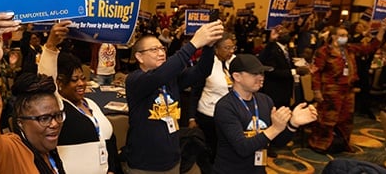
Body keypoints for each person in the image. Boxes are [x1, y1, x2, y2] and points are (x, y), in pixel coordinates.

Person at [0, 3, 66, 174]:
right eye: (44, 118)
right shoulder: (11, 154)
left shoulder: (47, 152)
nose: (55, 123)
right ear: (20, 122)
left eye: (57, 115)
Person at [124, 20, 224, 173]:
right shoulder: (135, 80)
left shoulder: (171, 79)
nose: (161, 52)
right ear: (139, 57)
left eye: (162, 48)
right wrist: (194, 43)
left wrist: (209, 46)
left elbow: (201, 71)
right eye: (154, 49)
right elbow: (159, 76)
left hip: (173, 161)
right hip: (144, 165)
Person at [213, 54, 318, 174]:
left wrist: (292, 124)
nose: (261, 77)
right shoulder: (225, 106)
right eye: (254, 74)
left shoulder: (265, 100)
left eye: (261, 73)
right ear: (237, 76)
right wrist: (275, 128)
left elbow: (277, 142)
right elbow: (243, 148)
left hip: (259, 169)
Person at [39, 21, 119, 174]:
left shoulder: (90, 104)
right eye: (74, 80)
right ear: (60, 83)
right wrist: (50, 46)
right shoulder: (58, 108)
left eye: (83, 78)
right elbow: (45, 83)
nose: (81, 83)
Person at [309, 20, 386, 153]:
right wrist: (316, 90)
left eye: (346, 35)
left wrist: (382, 30)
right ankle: (320, 144)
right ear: (333, 36)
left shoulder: (349, 49)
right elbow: (316, 72)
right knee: (328, 119)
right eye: (342, 35)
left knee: (346, 119)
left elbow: (370, 47)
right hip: (331, 90)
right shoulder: (323, 52)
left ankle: (343, 144)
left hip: (348, 90)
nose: (345, 37)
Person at [188, 32, 237, 161]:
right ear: (216, 49)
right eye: (226, 48)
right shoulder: (206, 65)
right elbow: (195, 92)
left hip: (230, 115)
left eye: (233, 48)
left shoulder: (235, 62)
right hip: (208, 115)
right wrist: (191, 118)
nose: (230, 51)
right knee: (211, 150)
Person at [258, 25, 296, 109]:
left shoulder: (287, 48)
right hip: (275, 91)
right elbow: (271, 70)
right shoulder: (272, 49)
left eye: (287, 33)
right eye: (283, 33)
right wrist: (293, 72)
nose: (286, 35)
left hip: (286, 90)